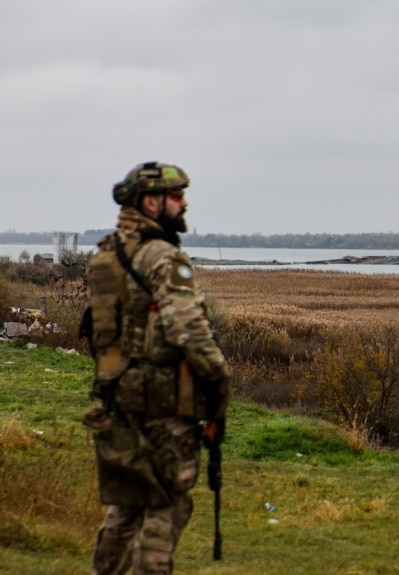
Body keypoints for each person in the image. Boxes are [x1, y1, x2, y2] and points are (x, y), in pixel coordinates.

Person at [82, 161, 231, 574]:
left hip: (118, 399)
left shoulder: (106, 254)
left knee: (128, 504)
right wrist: (219, 382)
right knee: (167, 503)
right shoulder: (162, 256)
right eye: (177, 195)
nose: (184, 204)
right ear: (152, 202)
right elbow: (189, 330)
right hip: (165, 405)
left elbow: (102, 333)